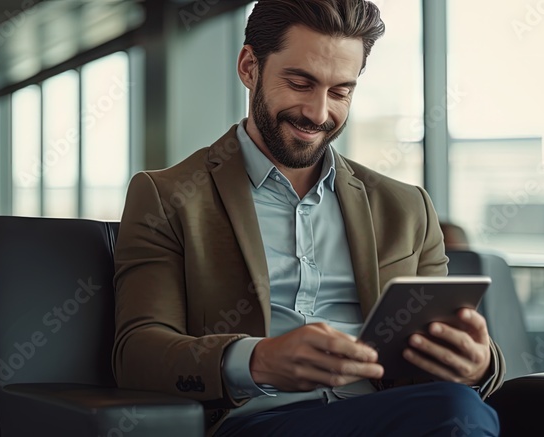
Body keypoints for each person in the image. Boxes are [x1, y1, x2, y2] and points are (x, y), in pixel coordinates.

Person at [111, 1, 505, 435]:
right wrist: (258, 359)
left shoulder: (407, 208)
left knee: (457, 404)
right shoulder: (169, 196)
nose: (318, 114)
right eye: (300, 83)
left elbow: (449, 343)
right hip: (257, 420)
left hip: (394, 414)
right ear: (248, 66)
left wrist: (479, 362)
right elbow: (138, 353)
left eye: (340, 92)